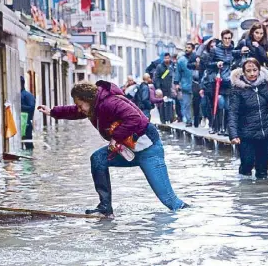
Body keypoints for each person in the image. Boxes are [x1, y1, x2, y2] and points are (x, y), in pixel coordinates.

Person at [38, 81, 188, 217]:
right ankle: (105, 207)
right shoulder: (94, 107)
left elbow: (135, 118)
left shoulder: (110, 102)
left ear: (89, 99)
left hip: (149, 150)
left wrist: (115, 137)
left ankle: (192, 217)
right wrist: (52, 112)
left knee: (170, 201)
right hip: (128, 149)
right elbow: (75, 112)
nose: (79, 108)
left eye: (80, 104)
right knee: (98, 159)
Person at [229, 58, 268, 179]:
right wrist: (233, 134)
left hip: (266, 132)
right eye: (248, 71)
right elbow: (233, 112)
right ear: (243, 72)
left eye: (254, 70)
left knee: (262, 170)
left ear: (259, 70)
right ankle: (245, 193)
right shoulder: (237, 89)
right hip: (246, 134)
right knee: (247, 165)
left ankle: (263, 195)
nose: (252, 73)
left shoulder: (267, 84)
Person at [175, 43, 197, 127]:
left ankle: (196, 120)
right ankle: (189, 120)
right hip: (185, 84)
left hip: (196, 84)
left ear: (193, 49)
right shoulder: (181, 60)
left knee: (195, 104)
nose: (187, 49)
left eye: (189, 47)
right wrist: (177, 83)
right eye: (186, 47)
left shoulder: (196, 58)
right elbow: (178, 72)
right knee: (186, 104)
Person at [154, 53, 175, 124]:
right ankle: (163, 119)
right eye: (165, 58)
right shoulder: (160, 67)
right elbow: (156, 77)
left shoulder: (172, 66)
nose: (167, 60)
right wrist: (158, 88)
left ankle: (171, 118)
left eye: (168, 58)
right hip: (162, 89)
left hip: (170, 88)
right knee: (162, 104)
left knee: (170, 104)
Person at [21, 76, 36, 150]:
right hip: (21, 123)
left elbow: (31, 107)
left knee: (28, 145)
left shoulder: (27, 95)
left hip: (26, 123)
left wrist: (19, 106)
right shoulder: (20, 94)